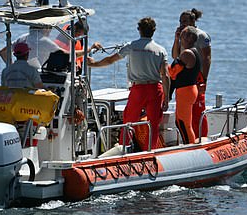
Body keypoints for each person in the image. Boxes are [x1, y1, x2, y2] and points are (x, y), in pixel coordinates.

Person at [88, 17, 169, 150]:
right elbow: (165, 75)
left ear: (139, 30)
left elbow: (110, 60)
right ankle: (151, 150)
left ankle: (123, 147)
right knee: (153, 124)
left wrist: (94, 64)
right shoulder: (160, 50)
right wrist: (167, 98)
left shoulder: (131, 46)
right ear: (154, 31)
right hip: (155, 88)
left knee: (128, 120)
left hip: (138, 89)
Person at [171, 8, 211, 138]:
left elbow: (207, 58)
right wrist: (176, 39)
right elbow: (175, 56)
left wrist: (204, 79)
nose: (182, 24)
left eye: (185, 21)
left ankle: (202, 136)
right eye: (180, 21)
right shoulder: (182, 35)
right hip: (184, 76)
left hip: (196, 74)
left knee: (198, 109)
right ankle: (190, 138)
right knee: (185, 112)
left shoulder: (201, 35)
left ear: (193, 21)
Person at [167, 26, 200, 144]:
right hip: (187, 90)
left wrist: (162, 65)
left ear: (190, 38)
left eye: (183, 35)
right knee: (181, 121)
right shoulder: (193, 51)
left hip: (186, 91)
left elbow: (172, 72)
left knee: (183, 123)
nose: (181, 37)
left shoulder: (187, 53)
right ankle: (189, 144)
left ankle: (190, 146)